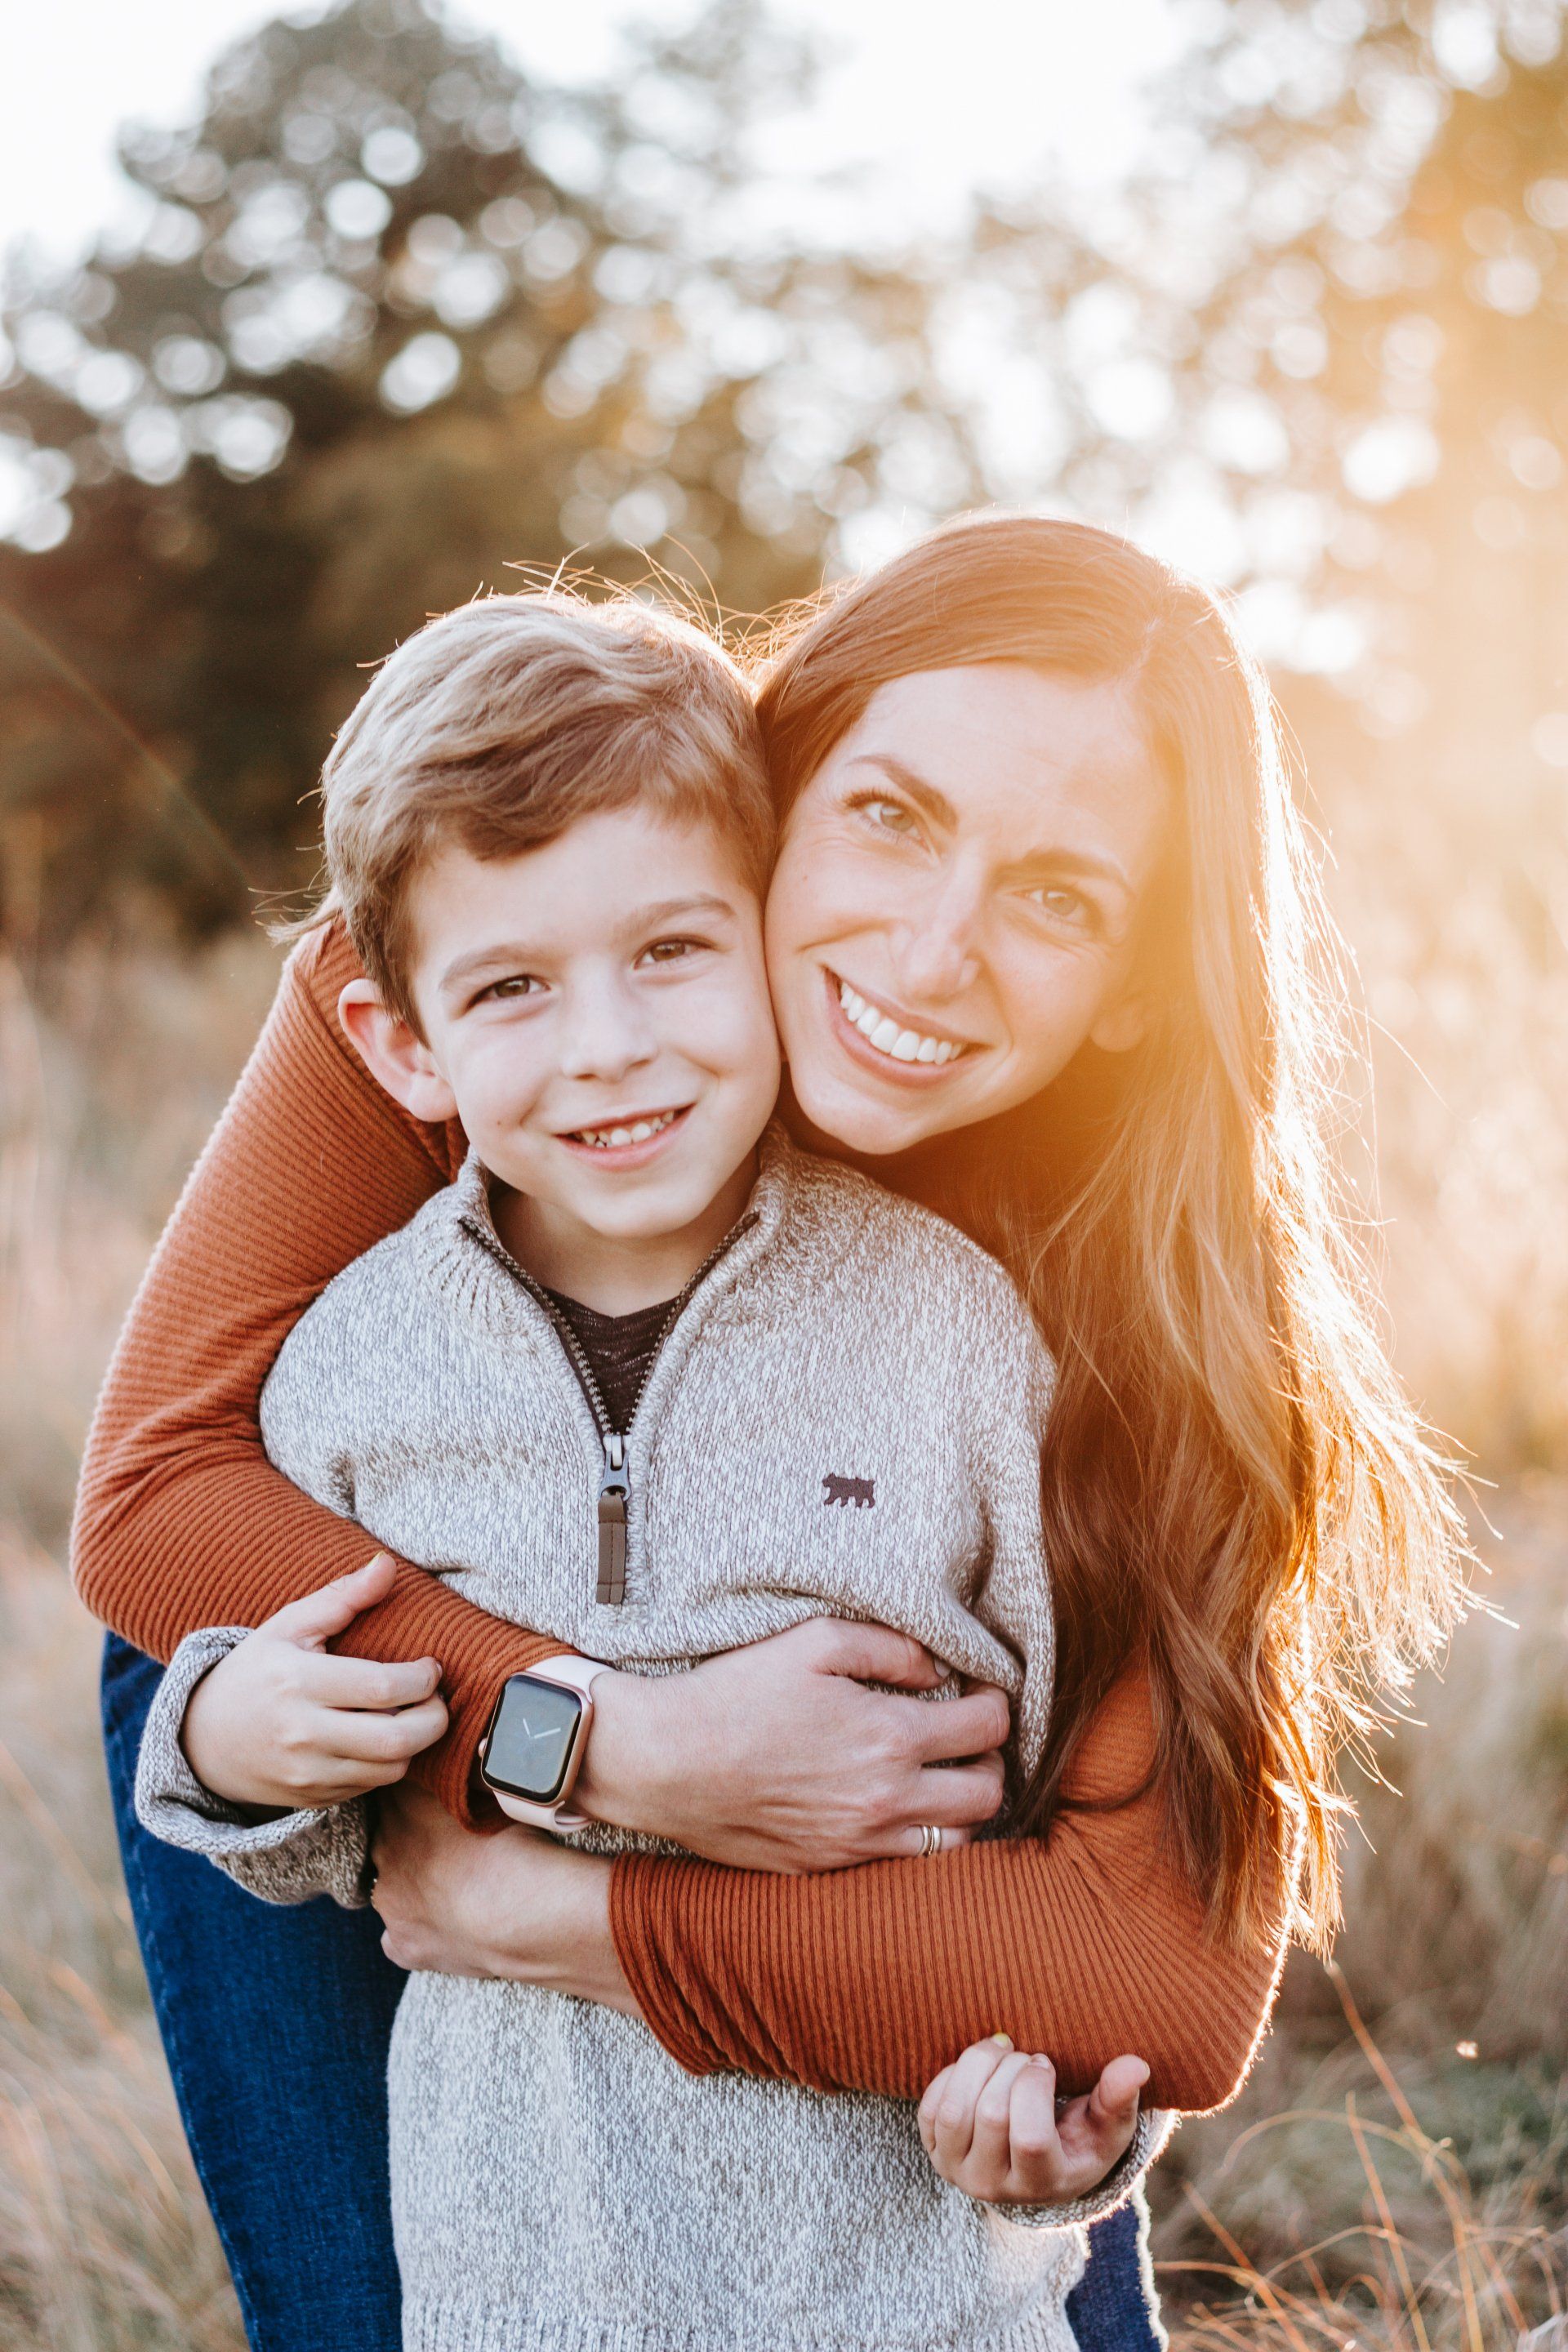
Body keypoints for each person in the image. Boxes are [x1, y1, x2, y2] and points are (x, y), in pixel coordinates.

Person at [76, 515, 1465, 2352]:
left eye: (1057, 897)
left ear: (1140, 974)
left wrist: (565, 1920)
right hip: (491, 1935)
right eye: (888, 816)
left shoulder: (1137, 1305)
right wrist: (608, 1743)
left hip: (861, 2084)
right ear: (781, 772)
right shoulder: (513, 923)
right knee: (210, 1632)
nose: (933, 949)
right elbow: (158, 1500)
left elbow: (1156, 1978)